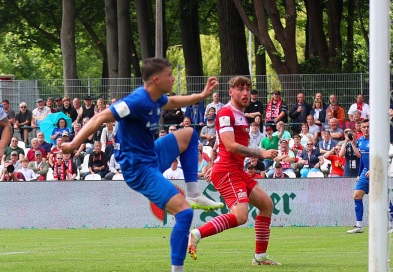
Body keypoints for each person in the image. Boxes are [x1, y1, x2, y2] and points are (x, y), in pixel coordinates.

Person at [61, 58, 223, 272]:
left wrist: (201, 96)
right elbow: (99, 117)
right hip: (138, 169)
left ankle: (193, 192)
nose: (173, 78)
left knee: (190, 135)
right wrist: (73, 143)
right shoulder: (136, 101)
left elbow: (173, 103)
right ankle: (177, 270)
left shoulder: (158, 98)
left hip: (152, 154)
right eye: (169, 74)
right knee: (184, 214)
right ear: (156, 79)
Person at [188, 75, 281, 266]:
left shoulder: (240, 115)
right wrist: (260, 153)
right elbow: (230, 146)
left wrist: (212, 163)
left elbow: (218, 144)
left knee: (266, 205)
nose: (245, 92)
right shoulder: (225, 113)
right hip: (228, 171)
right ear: (231, 92)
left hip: (234, 169)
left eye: (248, 89)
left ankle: (260, 258)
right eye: (240, 89)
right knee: (240, 216)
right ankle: (195, 234)